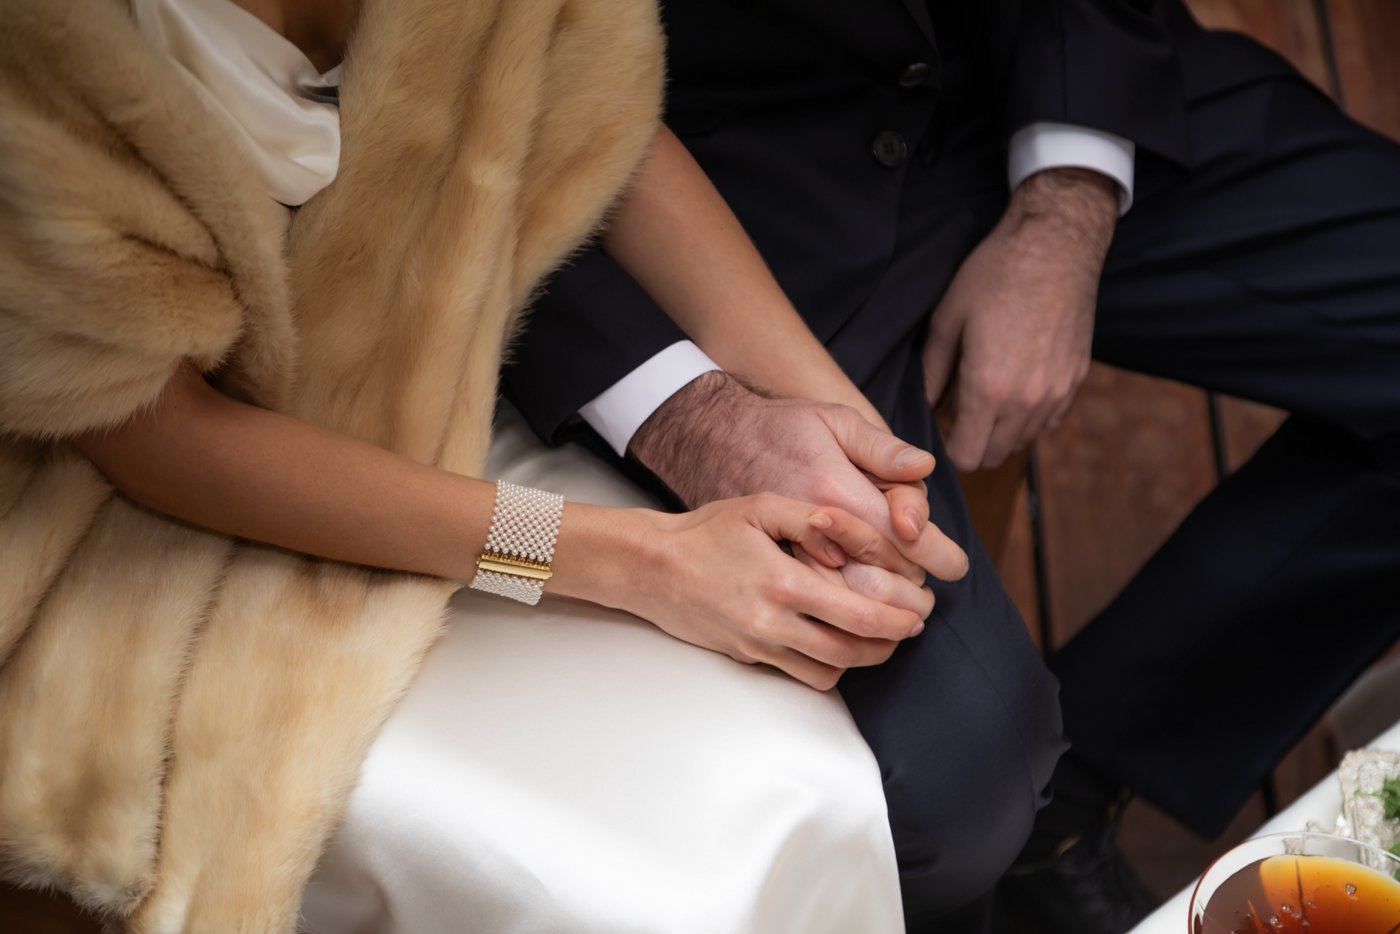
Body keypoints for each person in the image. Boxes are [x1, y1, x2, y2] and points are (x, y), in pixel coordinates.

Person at [0, 0, 969, 926]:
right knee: (640, 886)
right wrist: (643, 562)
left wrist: (818, 408)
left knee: (793, 792)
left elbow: (591, 108)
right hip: (152, 516)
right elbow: (159, 437)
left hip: (448, 382)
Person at [505, 1, 1400, 931]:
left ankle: (1086, 775)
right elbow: (482, 105)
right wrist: (690, 422)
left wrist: (1068, 200)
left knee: (970, 754)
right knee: (956, 774)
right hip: (722, 189)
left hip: (1019, 66)